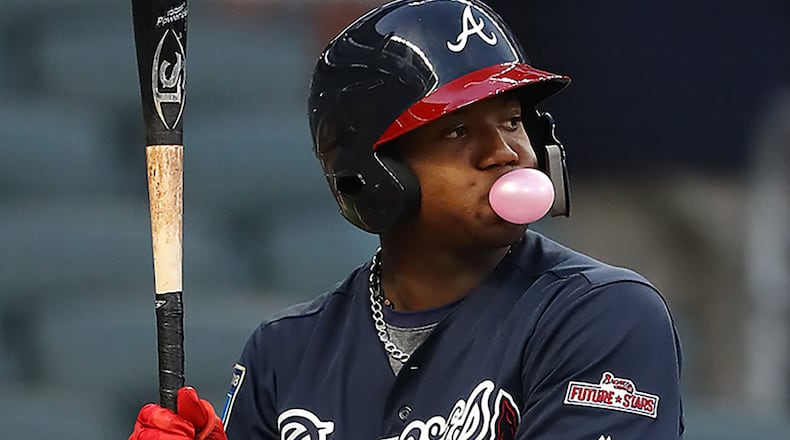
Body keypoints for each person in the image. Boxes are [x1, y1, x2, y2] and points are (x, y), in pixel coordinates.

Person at [129, 1, 684, 439]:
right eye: (457, 132)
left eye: (513, 121)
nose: (507, 152)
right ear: (372, 176)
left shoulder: (603, 315)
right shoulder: (283, 353)